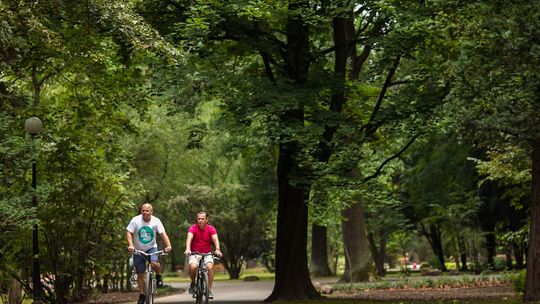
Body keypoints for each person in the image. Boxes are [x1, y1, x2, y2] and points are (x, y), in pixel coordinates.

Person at [126, 203, 172, 304]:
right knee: (140, 274)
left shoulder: (156, 221)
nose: (145, 212)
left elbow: (163, 234)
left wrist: (168, 246)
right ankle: (142, 294)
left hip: (152, 248)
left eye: (147, 210)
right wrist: (130, 245)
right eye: (143, 210)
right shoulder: (135, 220)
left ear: (151, 211)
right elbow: (129, 232)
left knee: (154, 263)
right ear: (141, 211)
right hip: (138, 250)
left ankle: (158, 275)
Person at [184, 211, 222, 299]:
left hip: (207, 254)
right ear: (197, 219)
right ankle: (193, 283)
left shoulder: (211, 229)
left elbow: (215, 239)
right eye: (199, 219)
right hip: (194, 253)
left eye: (202, 219)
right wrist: (188, 248)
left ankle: (209, 290)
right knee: (193, 267)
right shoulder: (193, 228)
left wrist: (217, 249)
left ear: (206, 220)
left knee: (210, 267)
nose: (200, 220)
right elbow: (189, 238)